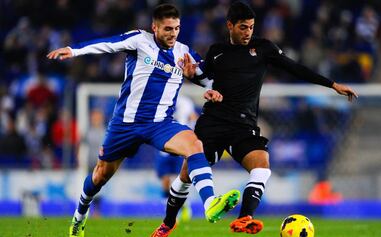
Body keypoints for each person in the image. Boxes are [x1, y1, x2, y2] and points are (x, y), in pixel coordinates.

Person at [152, 1, 358, 236]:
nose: (248, 32)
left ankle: (244, 218)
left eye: (251, 27)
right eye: (243, 27)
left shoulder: (264, 48)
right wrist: (192, 76)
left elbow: (296, 68)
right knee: (186, 174)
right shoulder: (217, 51)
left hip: (243, 125)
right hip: (214, 123)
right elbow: (206, 80)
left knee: (262, 164)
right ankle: (168, 223)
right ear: (230, 25)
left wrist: (332, 85)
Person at [47, 4, 240, 237]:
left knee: (195, 145)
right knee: (100, 175)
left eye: (177, 28)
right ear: (154, 27)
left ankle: (210, 204)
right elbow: (108, 43)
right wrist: (74, 50)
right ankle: (79, 217)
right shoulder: (139, 40)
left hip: (160, 124)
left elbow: (207, 80)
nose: (173, 34)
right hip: (125, 124)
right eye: (168, 29)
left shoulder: (184, 53)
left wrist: (210, 89)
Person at [154, 95, 197, 222]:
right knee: (165, 181)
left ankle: (185, 206)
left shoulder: (185, 102)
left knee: (180, 180)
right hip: (163, 147)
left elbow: (193, 117)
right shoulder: (160, 99)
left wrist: (190, 131)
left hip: (179, 146)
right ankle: (168, 213)